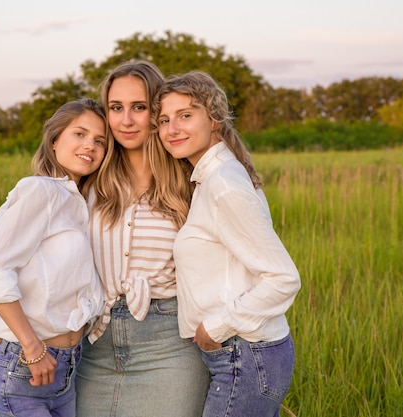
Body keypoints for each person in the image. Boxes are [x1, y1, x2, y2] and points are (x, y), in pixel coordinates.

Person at [153, 71, 301, 417]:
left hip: (245, 354)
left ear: (215, 119)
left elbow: (283, 278)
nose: (172, 129)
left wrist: (214, 327)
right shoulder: (213, 178)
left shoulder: (223, 184)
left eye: (185, 115)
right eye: (164, 120)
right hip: (241, 353)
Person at [75, 61, 210, 417]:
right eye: (116, 108)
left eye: (139, 107)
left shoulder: (191, 180)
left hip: (169, 344)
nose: (126, 121)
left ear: (157, 111)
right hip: (94, 343)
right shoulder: (87, 179)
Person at [0, 98, 110, 417]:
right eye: (80, 133)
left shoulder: (82, 205)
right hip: (24, 371)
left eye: (100, 140)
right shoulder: (40, 191)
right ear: (54, 140)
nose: (90, 145)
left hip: (67, 370)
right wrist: (33, 348)